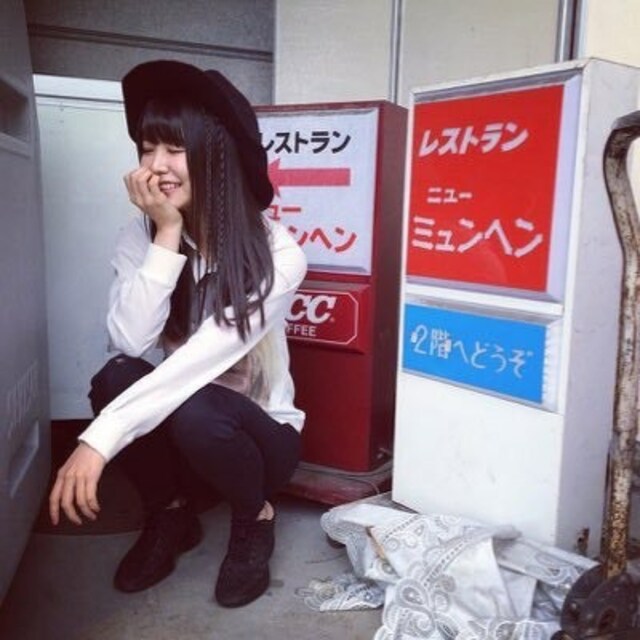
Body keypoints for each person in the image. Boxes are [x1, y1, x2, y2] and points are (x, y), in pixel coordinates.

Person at [48, 60, 307, 608]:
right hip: (184, 436)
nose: (157, 167)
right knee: (114, 377)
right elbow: (129, 342)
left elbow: (201, 362)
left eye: (175, 149)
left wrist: (98, 439)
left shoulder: (278, 253)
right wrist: (166, 234)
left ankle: (254, 515)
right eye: (147, 149)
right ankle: (170, 514)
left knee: (199, 406)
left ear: (217, 154)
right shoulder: (138, 235)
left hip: (258, 441)